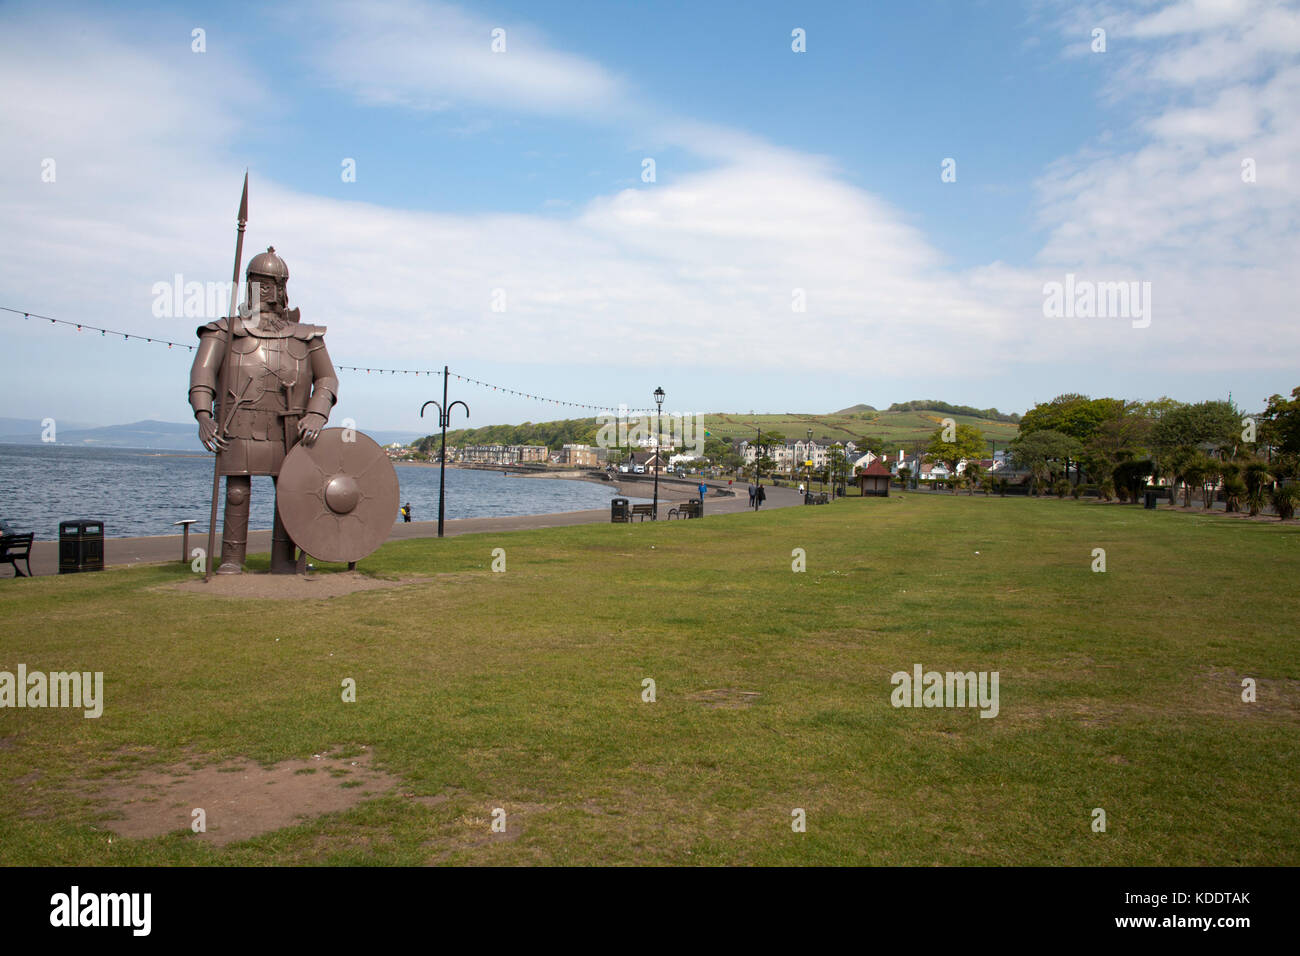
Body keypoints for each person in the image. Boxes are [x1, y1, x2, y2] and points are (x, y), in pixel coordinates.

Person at [190, 246, 338, 574]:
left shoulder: (307, 337)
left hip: (291, 427)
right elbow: (202, 373)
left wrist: (316, 413)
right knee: (238, 492)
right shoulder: (224, 331)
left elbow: (327, 379)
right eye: (263, 285)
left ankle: (284, 561)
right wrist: (204, 415)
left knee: (289, 494)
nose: (271, 294)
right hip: (240, 423)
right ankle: (231, 560)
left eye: (276, 286)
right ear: (251, 286)